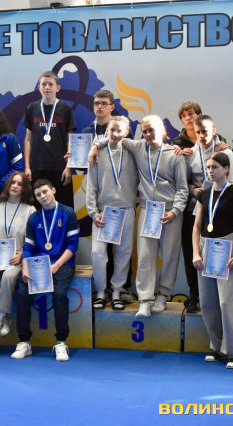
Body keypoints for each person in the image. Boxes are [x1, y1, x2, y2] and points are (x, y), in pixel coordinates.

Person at [90, 114, 188, 317]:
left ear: (162, 130)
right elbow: (113, 137)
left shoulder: (175, 154)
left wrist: (175, 211)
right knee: (144, 256)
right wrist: (94, 146)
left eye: (151, 130)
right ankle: (144, 300)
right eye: (144, 131)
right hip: (147, 209)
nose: (148, 134)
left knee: (170, 256)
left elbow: (182, 189)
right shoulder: (137, 146)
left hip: (170, 211)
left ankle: (163, 296)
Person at [11, 179, 79, 361]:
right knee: (23, 294)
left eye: (45, 192)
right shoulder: (34, 218)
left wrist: (56, 265)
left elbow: (73, 246)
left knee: (59, 295)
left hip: (63, 263)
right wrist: (25, 267)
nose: (42, 196)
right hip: (38, 264)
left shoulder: (68, 213)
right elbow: (28, 247)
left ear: (53, 190)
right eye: (38, 194)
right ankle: (24, 342)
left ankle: (61, 342)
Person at [192, 152, 233, 369]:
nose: (210, 171)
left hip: (227, 246)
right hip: (205, 247)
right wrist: (196, 253)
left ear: (226, 169)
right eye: (208, 167)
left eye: (215, 167)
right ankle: (216, 346)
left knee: (227, 302)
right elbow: (197, 226)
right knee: (208, 302)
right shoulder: (204, 195)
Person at [81, 89, 135, 304]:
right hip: (103, 212)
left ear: (126, 132)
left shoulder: (134, 152)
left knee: (123, 254)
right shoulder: (96, 155)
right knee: (98, 253)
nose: (115, 133)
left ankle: (117, 292)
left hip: (127, 209)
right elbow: (91, 186)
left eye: (120, 130)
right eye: (112, 129)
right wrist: (93, 213)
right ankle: (101, 292)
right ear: (107, 131)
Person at [181, 115, 233, 313]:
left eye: (205, 131)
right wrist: (194, 190)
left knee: (221, 255)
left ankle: (223, 298)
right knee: (193, 254)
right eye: (198, 132)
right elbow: (183, 182)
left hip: (219, 213)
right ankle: (196, 296)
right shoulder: (189, 153)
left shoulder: (225, 152)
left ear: (214, 131)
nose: (201, 136)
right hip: (195, 210)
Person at [0, 172, 36, 337]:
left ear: (24, 188)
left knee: (8, 276)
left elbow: (33, 239)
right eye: (13, 182)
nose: (15, 186)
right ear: (8, 185)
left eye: (20, 184)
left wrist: (22, 255)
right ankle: (4, 317)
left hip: (18, 258)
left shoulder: (30, 210)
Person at [23, 71, 77, 208]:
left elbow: (71, 139)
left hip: (60, 168)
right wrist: (27, 167)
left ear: (57, 88)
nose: (47, 87)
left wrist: (68, 167)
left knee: (63, 206)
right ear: (39, 88)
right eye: (44, 84)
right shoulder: (32, 108)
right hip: (37, 168)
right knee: (38, 207)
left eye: (51, 84)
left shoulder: (65, 108)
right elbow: (28, 139)